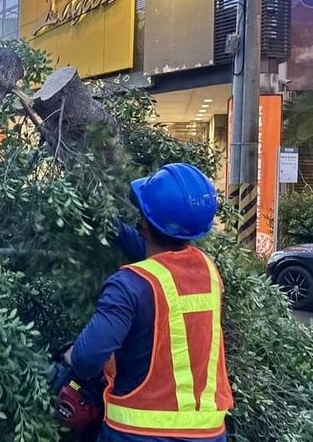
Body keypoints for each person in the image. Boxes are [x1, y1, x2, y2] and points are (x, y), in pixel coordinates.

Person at [65, 163, 234, 442]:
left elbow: (86, 360)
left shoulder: (129, 286)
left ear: (143, 221)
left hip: (138, 434)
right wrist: (106, 219)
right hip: (210, 432)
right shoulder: (208, 271)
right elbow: (154, 254)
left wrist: (70, 353)